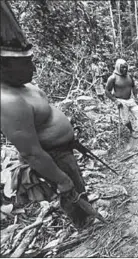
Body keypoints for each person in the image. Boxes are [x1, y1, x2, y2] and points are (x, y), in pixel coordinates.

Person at [0, 0, 100, 228]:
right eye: (27, 64)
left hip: (63, 150)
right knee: (69, 188)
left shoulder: (24, 86)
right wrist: (60, 178)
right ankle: (84, 225)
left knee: (77, 184)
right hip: (51, 156)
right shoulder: (7, 101)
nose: (33, 69)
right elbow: (32, 152)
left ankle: (85, 214)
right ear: (4, 67)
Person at [105, 59, 138, 138]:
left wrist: (136, 97)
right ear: (118, 68)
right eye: (122, 68)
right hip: (121, 100)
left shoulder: (129, 76)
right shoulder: (113, 78)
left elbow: (133, 86)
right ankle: (132, 131)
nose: (125, 69)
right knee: (125, 119)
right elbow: (106, 91)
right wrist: (115, 101)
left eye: (126, 67)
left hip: (130, 99)